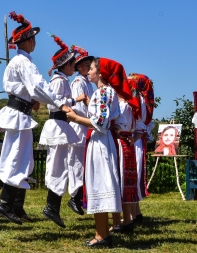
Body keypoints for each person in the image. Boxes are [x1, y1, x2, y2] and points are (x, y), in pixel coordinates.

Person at [0, 11, 73, 225]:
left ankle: (9, 204)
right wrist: (58, 102)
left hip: (19, 111)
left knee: (18, 157)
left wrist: (32, 100)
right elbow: (37, 86)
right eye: (32, 39)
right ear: (27, 41)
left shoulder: (18, 62)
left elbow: (25, 89)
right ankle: (6, 204)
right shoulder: (25, 63)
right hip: (18, 114)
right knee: (17, 156)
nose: (34, 42)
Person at [67, 57, 137, 248]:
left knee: (100, 182)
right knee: (98, 182)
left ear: (101, 73)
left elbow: (101, 123)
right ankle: (102, 232)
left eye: (91, 69)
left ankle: (102, 235)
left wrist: (74, 117)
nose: (88, 72)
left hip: (101, 142)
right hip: (101, 141)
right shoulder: (104, 92)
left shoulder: (104, 92)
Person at [39, 34, 82, 228]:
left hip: (61, 125)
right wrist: (74, 101)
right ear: (66, 65)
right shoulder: (59, 80)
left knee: (60, 165)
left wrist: (71, 102)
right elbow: (53, 103)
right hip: (57, 125)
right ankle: (51, 206)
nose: (74, 67)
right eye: (72, 64)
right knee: (57, 165)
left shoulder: (62, 79)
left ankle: (53, 206)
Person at [67, 45, 95, 216]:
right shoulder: (78, 83)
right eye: (86, 65)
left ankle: (81, 196)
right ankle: (74, 196)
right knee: (76, 162)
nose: (89, 67)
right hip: (79, 125)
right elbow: (79, 107)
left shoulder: (88, 84)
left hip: (86, 125)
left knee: (83, 163)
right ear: (79, 67)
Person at [109, 94, 139, 234]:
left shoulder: (122, 105)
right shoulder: (132, 105)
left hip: (120, 142)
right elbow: (141, 127)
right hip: (128, 143)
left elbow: (116, 126)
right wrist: (133, 138)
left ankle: (119, 222)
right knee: (126, 181)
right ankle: (127, 220)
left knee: (118, 181)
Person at [128, 73, 155, 223]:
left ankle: (132, 213)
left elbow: (139, 122)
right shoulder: (143, 100)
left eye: (132, 80)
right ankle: (136, 212)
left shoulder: (138, 100)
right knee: (134, 175)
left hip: (134, 139)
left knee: (132, 175)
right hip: (136, 139)